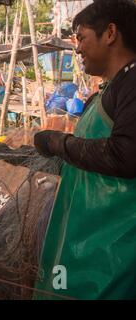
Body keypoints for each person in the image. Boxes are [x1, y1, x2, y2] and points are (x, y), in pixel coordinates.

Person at [33, 0, 136, 299]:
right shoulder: (109, 89)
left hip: (116, 249)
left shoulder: (133, 83)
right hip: (87, 236)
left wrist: (58, 143)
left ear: (110, 33)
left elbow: (125, 154)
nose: (77, 49)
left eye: (81, 38)